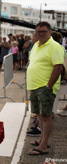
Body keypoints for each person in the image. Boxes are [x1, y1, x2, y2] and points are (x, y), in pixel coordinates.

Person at [27, 22, 64, 155]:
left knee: (46, 116)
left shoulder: (55, 46)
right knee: (39, 116)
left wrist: (49, 86)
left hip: (45, 86)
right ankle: (43, 140)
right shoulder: (36, 45)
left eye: (43, 31)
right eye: (38, 31)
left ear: (49, 32)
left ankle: (43, 146)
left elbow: (58, 67)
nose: (40, 34)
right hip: (35, 86)